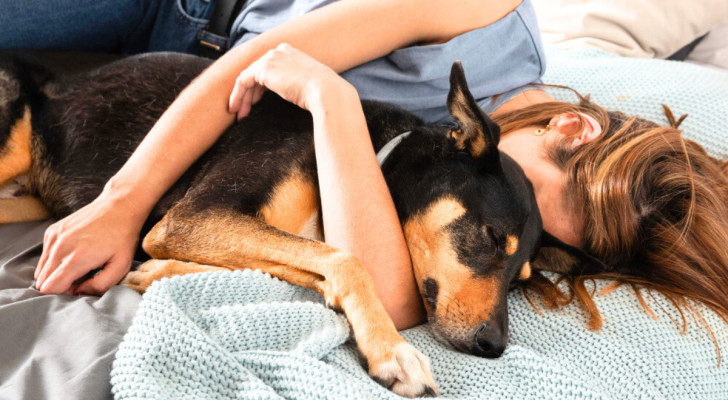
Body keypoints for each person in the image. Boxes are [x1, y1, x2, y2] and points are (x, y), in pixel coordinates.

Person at [14, 0, 728, 331]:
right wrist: (119, 203)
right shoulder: (482, 12)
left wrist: (331, 101)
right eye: (537, 199)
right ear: (570, 126)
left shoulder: (439, 191)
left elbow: (389, 296)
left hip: (174, 83)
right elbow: (252, 64)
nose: (525, 223)